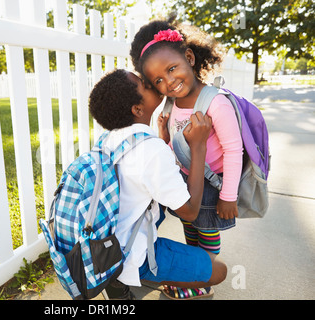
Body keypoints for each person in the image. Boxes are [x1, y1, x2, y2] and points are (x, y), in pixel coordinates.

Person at [129, 17, 243, 299]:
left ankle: (203, 279)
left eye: (172, 69)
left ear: (189, 58)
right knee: (190, 228)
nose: (169, 82)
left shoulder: (215, 102)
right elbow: (178, 148)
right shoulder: (172, 103)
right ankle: (195, 270)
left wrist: (228, 196)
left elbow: (233, 150)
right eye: (159, 79)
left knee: (206, 232)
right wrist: (165, 138)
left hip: (211, 185)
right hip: (186, 179)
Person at [88, 69, 227, 300]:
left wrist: (163, 140)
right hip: (130, 254)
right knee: (219, 270)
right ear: (137, 109)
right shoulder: (150, 151)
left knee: (158, 207)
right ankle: (129, 275)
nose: (151, 82)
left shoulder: (108, 138)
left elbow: (144, 175)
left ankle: (116, 277)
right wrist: (198, 146)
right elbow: (191, 211)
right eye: (143, 84)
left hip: (104, 243)